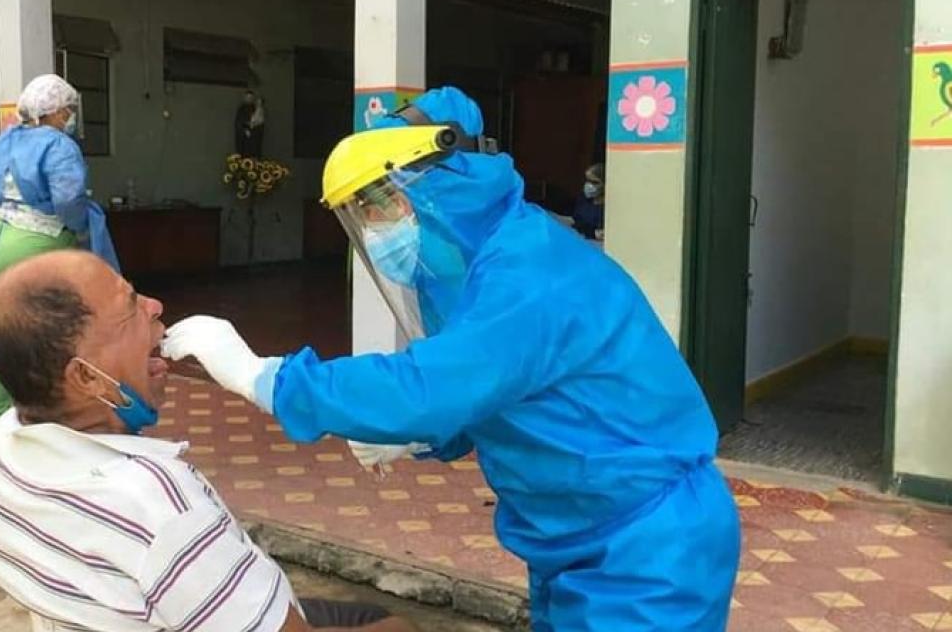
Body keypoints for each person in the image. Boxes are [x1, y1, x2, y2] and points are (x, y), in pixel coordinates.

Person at [163, 87, 740, 632]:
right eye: (363, 216)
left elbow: (428, 387)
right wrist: (423, 439)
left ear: (443, 180)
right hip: (573, 537)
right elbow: (493, 395)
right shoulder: (479, 270)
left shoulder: (529, 271)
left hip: (647, 548)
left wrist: (264, 377)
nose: (378, 228)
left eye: (381, 205)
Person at [0, 250, 415, 632]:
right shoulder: (157, 505)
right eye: (131, 307)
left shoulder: (3, 441)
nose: (155, 306)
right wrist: (258, 378)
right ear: (87, 376)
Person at [0, 73, 119, 423]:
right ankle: (44, 420)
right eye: (67, 111)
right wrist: (79, 224)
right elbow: (69, 198)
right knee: (44, 338)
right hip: (37, 246)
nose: (69, 118)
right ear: (52, 113)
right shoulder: (59, 146)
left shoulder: (6, 139)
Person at [571, 163, 605, 241]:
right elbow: (576, 221)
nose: (589, 185)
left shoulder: (607, 208)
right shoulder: (583, 198)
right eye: (587, 180)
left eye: (595, 182)